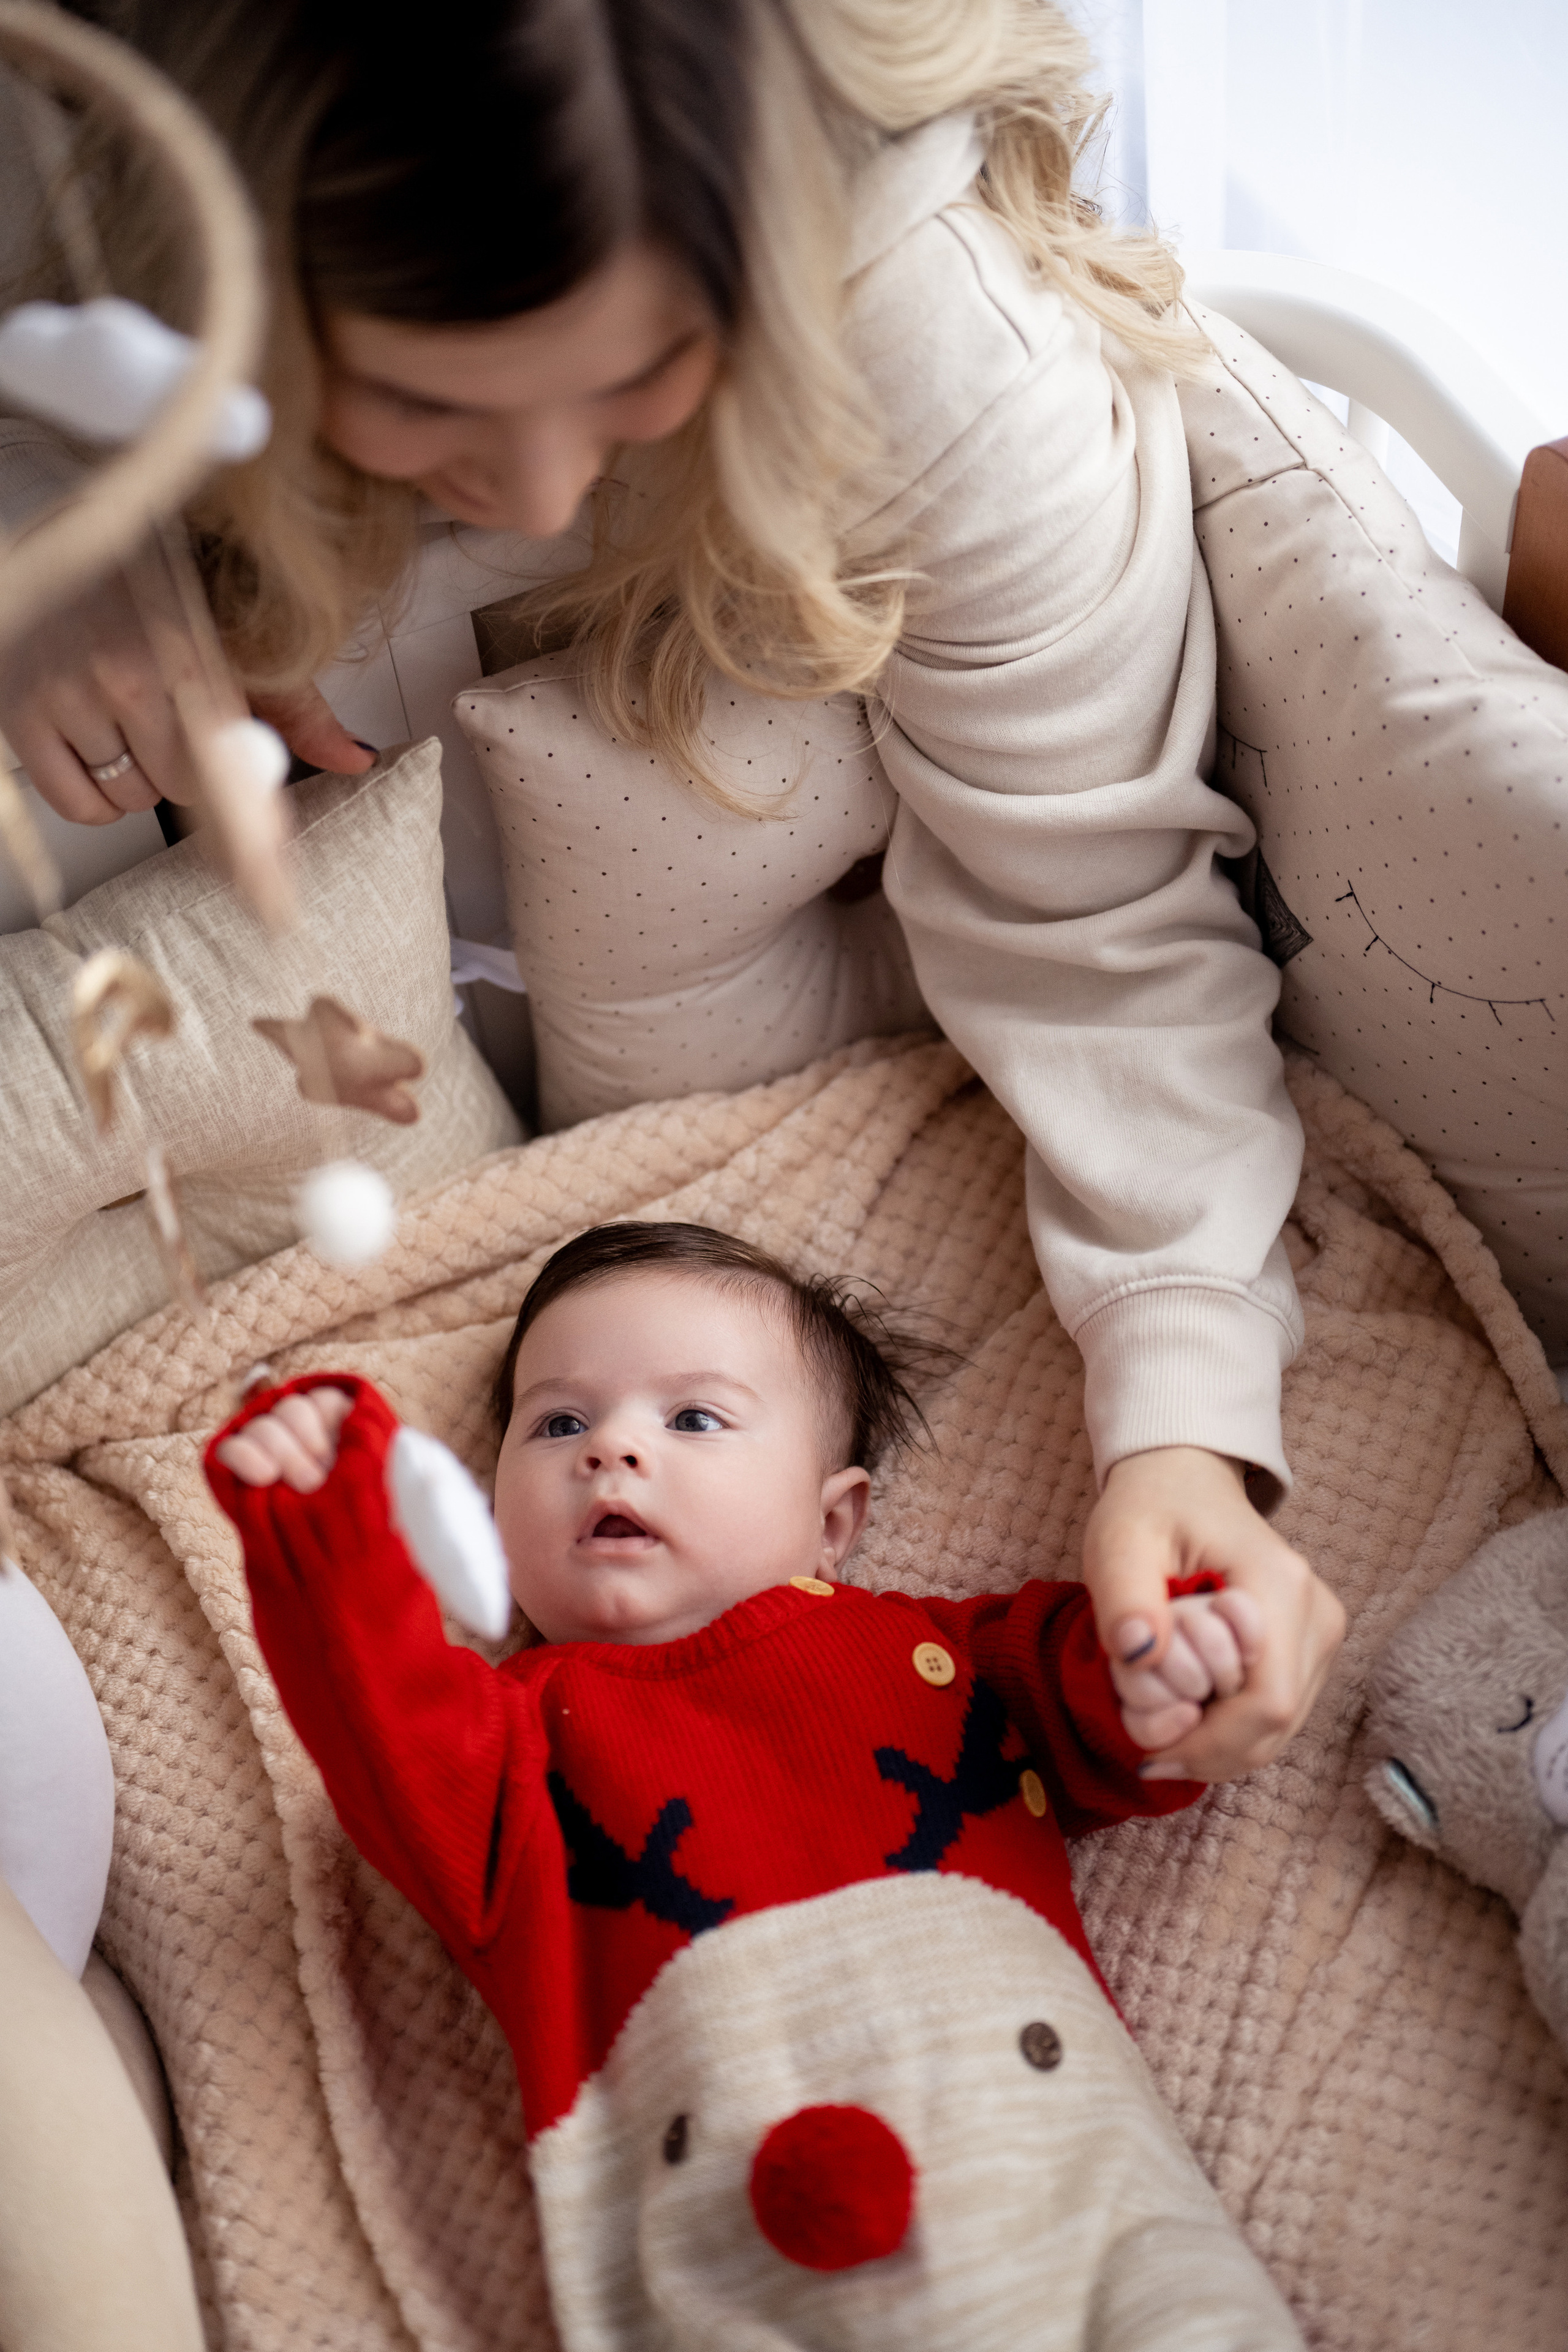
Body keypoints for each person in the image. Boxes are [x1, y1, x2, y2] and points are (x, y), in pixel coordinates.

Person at [3, 0, 1345, 1774]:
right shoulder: (82, 186)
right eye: (422, 404)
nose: (548, 484)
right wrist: (49, 503)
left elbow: (1094, 917)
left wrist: (1184, 1424)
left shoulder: (949, 343)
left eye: (641, 377)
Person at [206, 1219, 1303, 2346]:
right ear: (488, 1525)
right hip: (751, 2283)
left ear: (834, 1522)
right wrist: (323, 1527)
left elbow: (1107, 1689)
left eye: (693, 1417)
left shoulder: (950, 1656)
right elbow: (382, 1718)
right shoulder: (512, 1749)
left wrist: (1174, 1659)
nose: (610, 1450)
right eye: (559, 1422)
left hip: (1088, 2209)